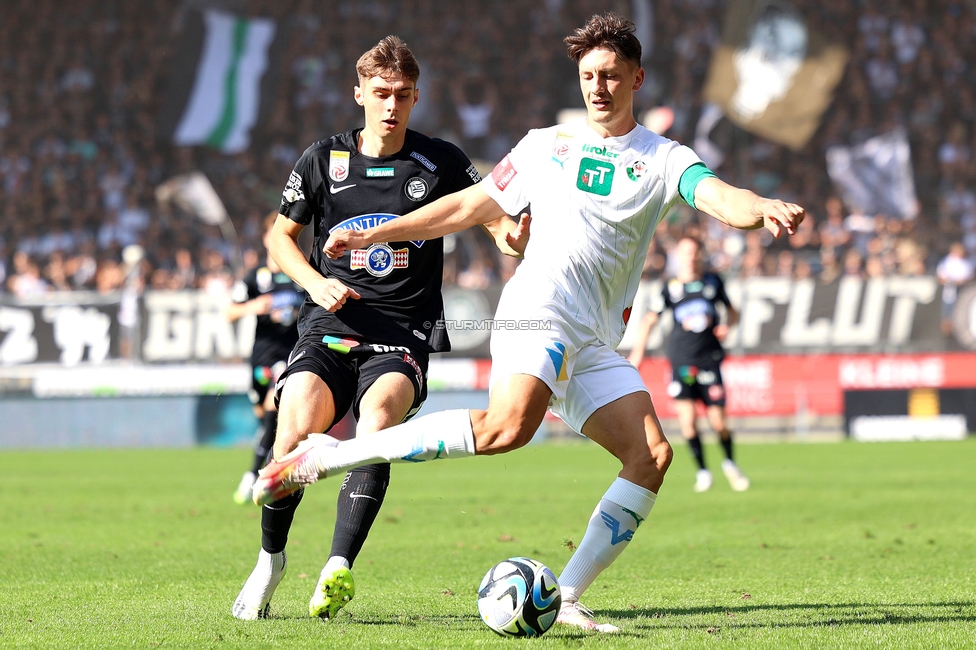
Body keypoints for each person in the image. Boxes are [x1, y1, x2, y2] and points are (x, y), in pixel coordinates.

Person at [254, 13, 804, 633]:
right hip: (537, 307)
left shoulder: (662, 158)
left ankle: (565, 596)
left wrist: (760, 207)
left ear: (637, 80)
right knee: (507, 429)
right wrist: (382, 228)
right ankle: (332, 455)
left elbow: (717, 195)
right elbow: (469, 205)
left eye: (611, 76)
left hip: (592, 337)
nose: (598, 87)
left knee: (650, 454)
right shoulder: (546, 146)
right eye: (588, 75)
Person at [231, 36, 526, 621]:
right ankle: (270, 560)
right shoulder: (323, 159)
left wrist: (509, 238)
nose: (392, 105)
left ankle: (337, 567)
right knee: (292, 433)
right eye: (382, 93)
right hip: (328, 324)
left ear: (416, 97)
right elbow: (278, 239)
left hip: (402, 333)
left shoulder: (438, 160)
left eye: (404, 95)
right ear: (360, 93)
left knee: (377, 424)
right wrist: (315, 285)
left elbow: (487, 211)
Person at [627, 236, 749, 493]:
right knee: (688, 422)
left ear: (700, 254)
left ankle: (729, 464)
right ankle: (703, 471)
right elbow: (650, 320)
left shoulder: (712, 282)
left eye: (694, 252)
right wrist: (638, 353)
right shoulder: (670, 287)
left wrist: (728, 326)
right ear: (679, 256)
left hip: (709, 359)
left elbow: (732, 310)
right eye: (685, 252)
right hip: (681, 360)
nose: (690, 257)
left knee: (719, 422)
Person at [227, 211, 304, 505]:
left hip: (289, 355)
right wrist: (254, 306)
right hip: (260, 356)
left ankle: (253, 477)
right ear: (265, 239)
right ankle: (263, 470)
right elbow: (229, 312)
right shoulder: (255, 277)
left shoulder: (301, 274)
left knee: (276, 405)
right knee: (266, 420)